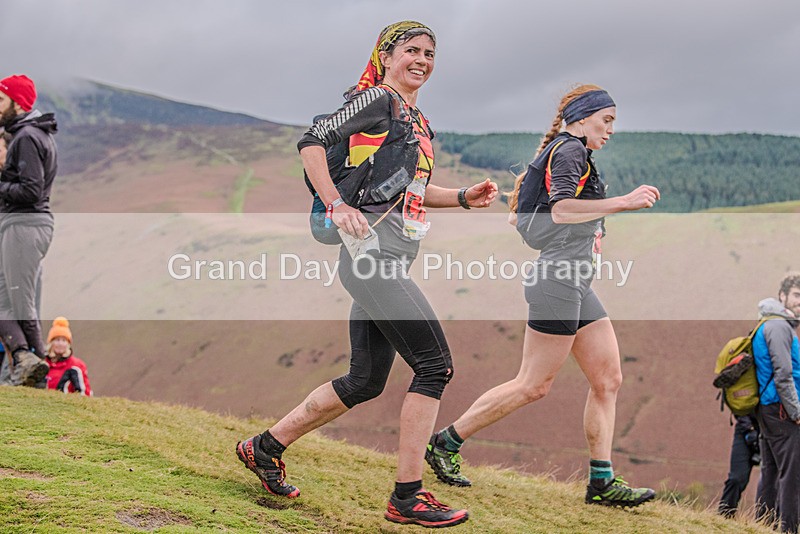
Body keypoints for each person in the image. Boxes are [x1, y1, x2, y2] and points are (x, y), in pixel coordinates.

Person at [236, 21, 497, 528]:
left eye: (429, 52)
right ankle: (407, 497)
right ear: (387, 54)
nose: (421, 59)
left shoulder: (416, 118)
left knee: (364, 381)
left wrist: (462, 197)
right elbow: (312, 141)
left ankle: (263, 448)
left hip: (390, 256)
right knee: (434, 366)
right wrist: (334, 205)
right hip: (370, 258)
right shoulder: (377, 99)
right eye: (411, 51)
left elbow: (409, 192)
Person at [425, 84, 658, 508]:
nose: (610, 131)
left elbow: (531, 214)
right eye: (606, 121)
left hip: (576, 281)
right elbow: (562, 209)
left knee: (608, 380)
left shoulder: (571, 153)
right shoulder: (569, 149)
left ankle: (601, 483)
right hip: (558, 282)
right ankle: (445, 442)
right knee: (533, 385)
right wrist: (623, 202)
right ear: (583, 117)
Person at [0, 74, 57, 387]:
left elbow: (31, 191)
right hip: (21, 223)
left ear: (17, 102)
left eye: (0, 100)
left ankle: (35, 373)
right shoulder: (31, 134)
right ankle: (25, 359)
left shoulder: (27, 138)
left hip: (25, 223)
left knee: (21, 302)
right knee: (8, 300)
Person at [754, 274, 800, 533]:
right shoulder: (780, 327)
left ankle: (763, 526)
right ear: (782, 296)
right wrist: (796, 412)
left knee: (770, 471)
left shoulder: (769, 324)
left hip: (769, 408)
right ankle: (790, 529)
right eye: (796, 295)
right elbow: (783, 374)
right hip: (782, 410)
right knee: (793, 474)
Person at [718, 414, 761, 517]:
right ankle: (725, 515)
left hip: (776, 432)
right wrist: (749, 428)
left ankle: (770, 524)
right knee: (736, 479)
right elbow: (737, 404)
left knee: (775, 482)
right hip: (746, 431)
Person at [44, 317, 92, 396]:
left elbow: (86, 393)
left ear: (68, 344)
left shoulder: (77, 366)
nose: (60, 344)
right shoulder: (42, 364)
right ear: (51, 343)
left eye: (64, 340)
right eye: (57, 340)